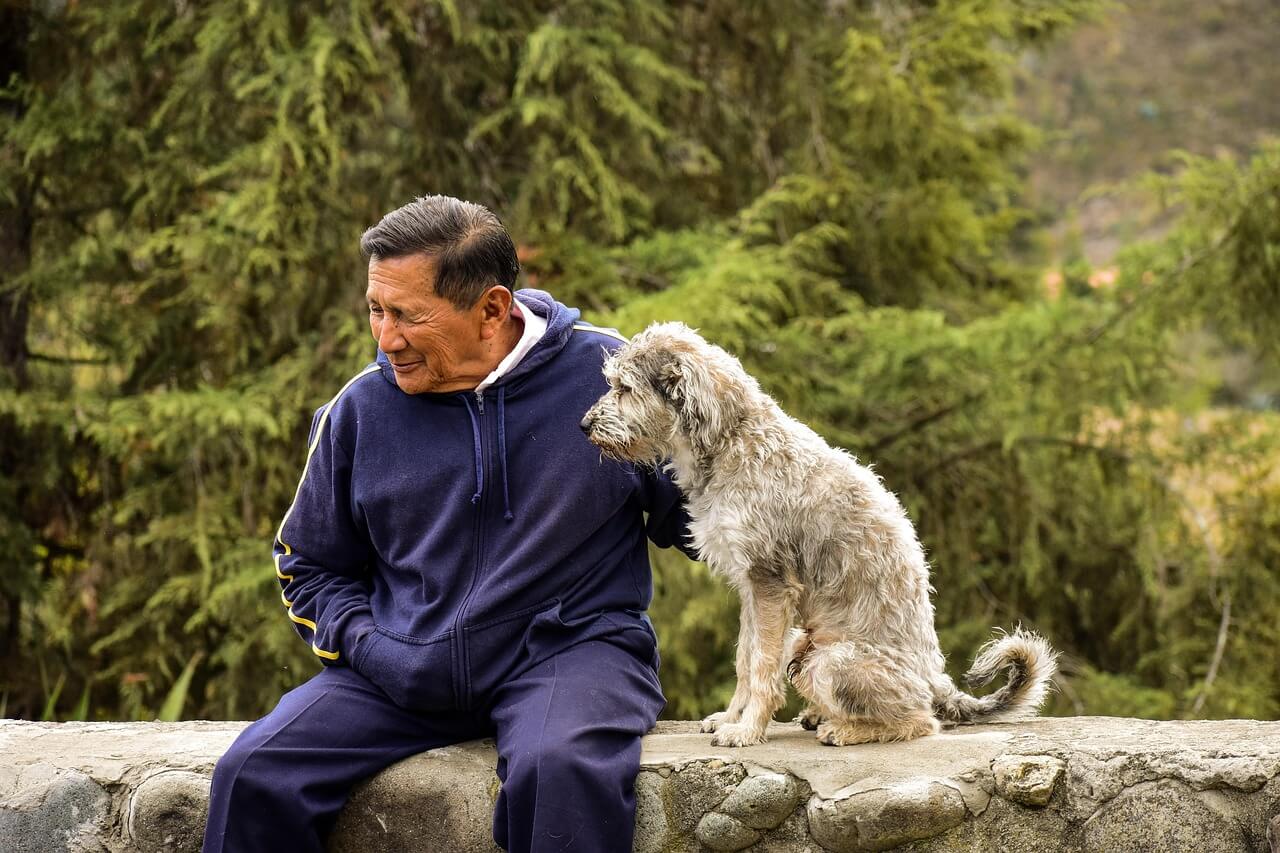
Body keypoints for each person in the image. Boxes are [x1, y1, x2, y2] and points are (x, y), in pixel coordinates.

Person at [201, 195, 694, 853]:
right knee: (252, 773)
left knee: (561, 770)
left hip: (572, 654)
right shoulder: (360, 411)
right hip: (404, 666)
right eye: (376, 308)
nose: (385, 335)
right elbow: (309, 564)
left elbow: (716, 510)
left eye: (407, 314)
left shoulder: (610, 378)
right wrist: (377, 648)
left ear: (491, 308)